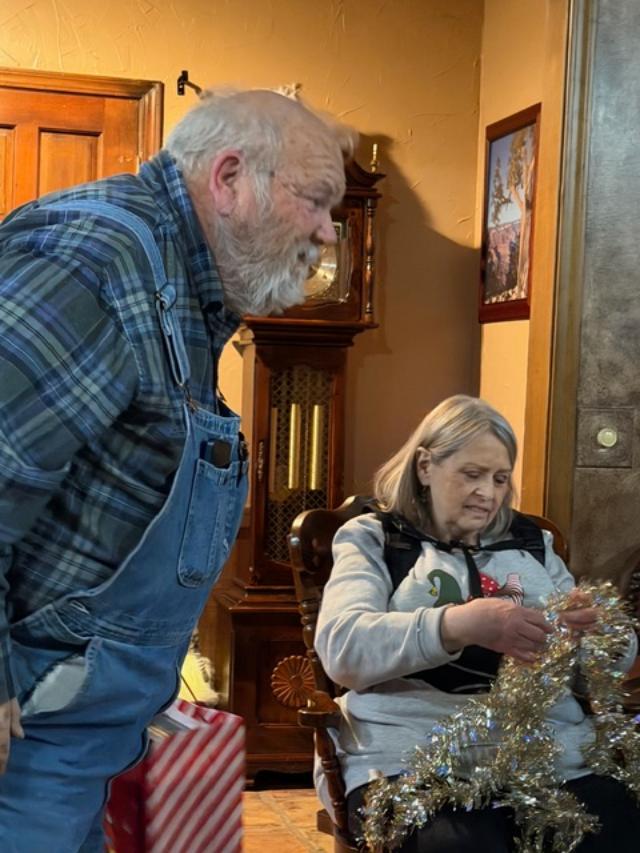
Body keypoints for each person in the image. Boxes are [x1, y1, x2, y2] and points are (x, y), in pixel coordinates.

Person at [0, 88, 354, 852]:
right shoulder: (96, 261)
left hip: (71, 742)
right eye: (317, 199)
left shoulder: (178, 288)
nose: (329, 231)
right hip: (23, 751)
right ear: (229, 178)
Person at [314, 394, 640, 852]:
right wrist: (458, 625)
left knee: (618, 826)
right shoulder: (376, 539)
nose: (488, 493)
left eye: (500, 478)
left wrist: (598, 635)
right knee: (462, 844)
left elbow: (595, 675)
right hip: (410, 758)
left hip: (549, 756)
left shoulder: (533, 544)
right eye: (472, 474)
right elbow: (341, 648)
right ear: (425, 466)